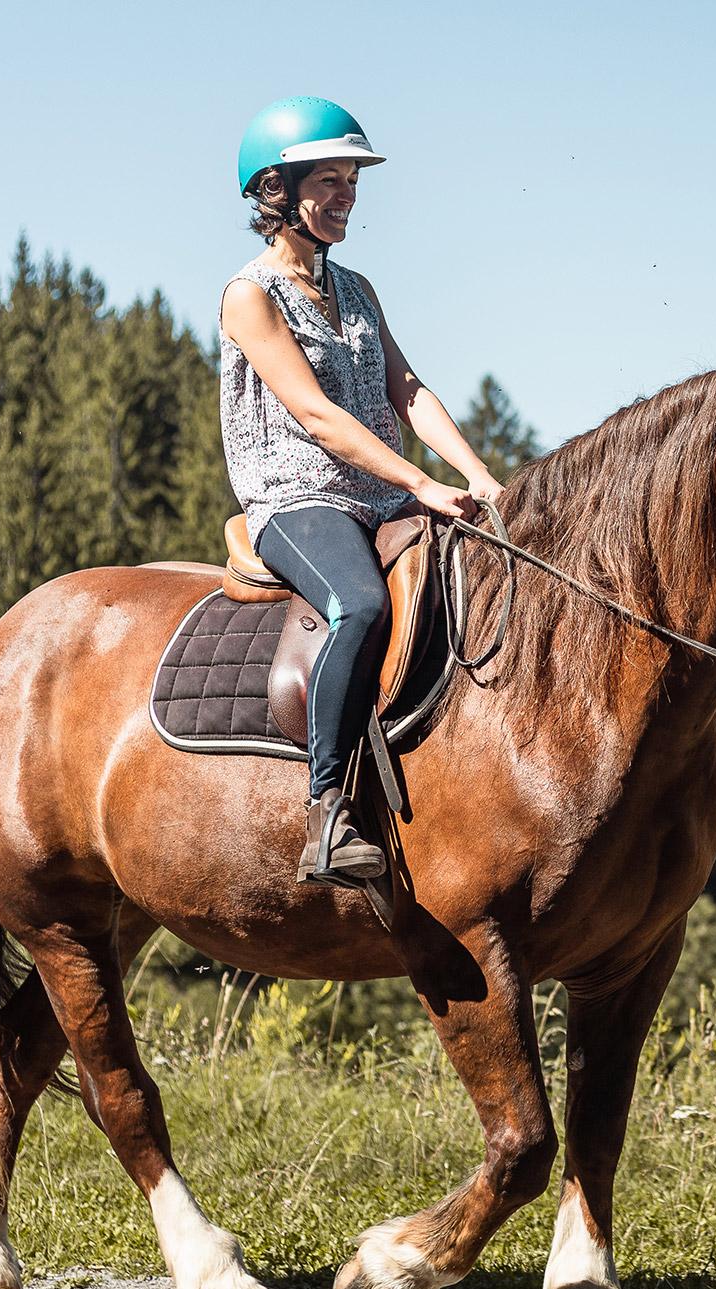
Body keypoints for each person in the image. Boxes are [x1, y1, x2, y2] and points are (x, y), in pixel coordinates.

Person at [219, 96, 509, 886]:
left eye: (353, 180)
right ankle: (326, 813)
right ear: (277, 191)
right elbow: (313, 414)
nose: (347, 194)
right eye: (329, 179)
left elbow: (407, 389)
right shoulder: (250, 296)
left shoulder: (358, 290)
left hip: (379, 496)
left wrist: (477, 473)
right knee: (362, 605)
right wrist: (421, 479)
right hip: (295, 495)